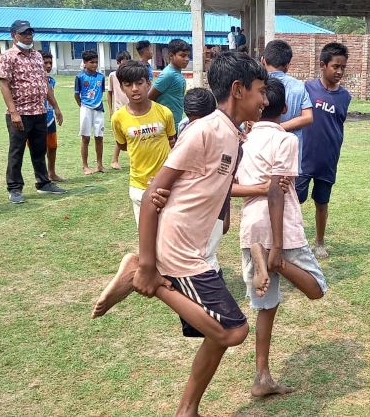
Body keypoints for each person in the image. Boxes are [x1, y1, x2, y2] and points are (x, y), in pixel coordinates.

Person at [92, 51, 268, 417]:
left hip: (200, 248)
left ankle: (187, 411)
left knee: (216, 336)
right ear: (238, 90)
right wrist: (149, 267)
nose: (264, 100)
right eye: (259, 91)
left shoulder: (234, 135)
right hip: (180, 253)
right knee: (232, 332)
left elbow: (210, 188)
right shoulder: (205, 130)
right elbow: (157, 190)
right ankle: (146, 278)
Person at [234, 77, 327, 397]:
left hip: (251, 230)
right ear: (286, 109)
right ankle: (271, 262)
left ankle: (262, 377)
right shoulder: (286, 140)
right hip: (280, 231)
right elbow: (276, 193)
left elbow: (230, 187)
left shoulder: (244, 141)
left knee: (266, 307)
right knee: (316, 288)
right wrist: (276, 252)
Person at [0, 19, 66, 204]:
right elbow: (4, 85)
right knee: (17, 151)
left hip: (39, 111)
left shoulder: (36, 56)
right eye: (23, 33)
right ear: (14, 35)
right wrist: (13, 112)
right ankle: (14, 188)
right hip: (20, 113)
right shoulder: (7, 57)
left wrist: (56, 107)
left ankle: (43, 182)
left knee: (39, 149)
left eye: (30, 33)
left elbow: (44, 84)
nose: (28, 36)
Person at [298, 42, 351, 259]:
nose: (339, 71)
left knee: (322, 202)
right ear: (322, 65)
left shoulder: (345, 96)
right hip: (303, 158)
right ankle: (294, 242)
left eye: (343, 67)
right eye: (335, 66)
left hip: (328, 160)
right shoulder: (307, 89)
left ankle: (319, 242)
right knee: (294, 202)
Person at [110, 60, 176, 226]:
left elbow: (172, 143)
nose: (134, 89)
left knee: (169, 237)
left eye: (139, 83)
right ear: (122, 87)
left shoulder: (164, 113)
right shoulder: (118, 118)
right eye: (128, 84)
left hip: (166, 185)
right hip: (139, 186)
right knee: (146, 238)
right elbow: (123, 145)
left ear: (148, 83)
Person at [261, 40, 314, 150]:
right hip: (291, 150)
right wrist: (280, 128)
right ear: (288, 65)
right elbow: (308, 117)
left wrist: (273, 128)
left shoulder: (256, 85)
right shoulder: (299, 85)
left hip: (262, 147)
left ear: (263, 60)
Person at [74, 50, 106, 175]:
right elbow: (76, 95)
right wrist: (82, 106)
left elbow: (100, 92)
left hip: (98, 109)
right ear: (85, 63)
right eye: (91, 62)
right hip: (85, 109)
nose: (94, 65)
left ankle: (99, 164)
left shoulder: (101, 77)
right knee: (85, 138)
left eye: (96, 62)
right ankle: (85, 166)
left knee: (99, 137)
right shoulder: (80, 77)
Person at [148, 39, 190, 131]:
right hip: (165, 125)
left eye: (188, 56)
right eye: (182, 55)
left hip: (175, 124)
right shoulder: (168, 74)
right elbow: (149, 98)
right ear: (171, 55)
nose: (186, 59)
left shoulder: (177, 74)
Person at [39, 50, 65, 182]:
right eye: (45, 62)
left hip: (49, 118)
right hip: (38, 118)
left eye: (50, 62)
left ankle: (52, 173)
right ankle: (41, 176)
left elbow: (51, 97)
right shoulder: (34, 79)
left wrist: (56, 109)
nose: (48, 65)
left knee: (52, 146)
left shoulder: (51, 81)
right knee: (39, 149)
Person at [108, 50, 132, 170]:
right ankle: (114, 160)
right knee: (120, 136)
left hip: (131, 108)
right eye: (122, 64)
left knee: (131, 134)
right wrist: (111, 110)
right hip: (119, 109)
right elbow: (109, 93)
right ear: (117, 63)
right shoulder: (112, 76)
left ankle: (133, 159)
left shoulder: (130, 75)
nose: (124, 66)